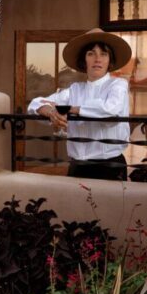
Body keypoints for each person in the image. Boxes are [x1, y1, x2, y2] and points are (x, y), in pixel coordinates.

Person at [28, 28, 132, 181]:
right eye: (91, 53)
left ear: (110, 60)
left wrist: (71, 109)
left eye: (103, 54)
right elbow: (35, 104)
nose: (97, 59)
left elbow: (110, 108)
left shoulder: (118, 84)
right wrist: (51, 112)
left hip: (109, 166)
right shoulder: (75, 89)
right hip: (77, 166)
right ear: (84, 60)